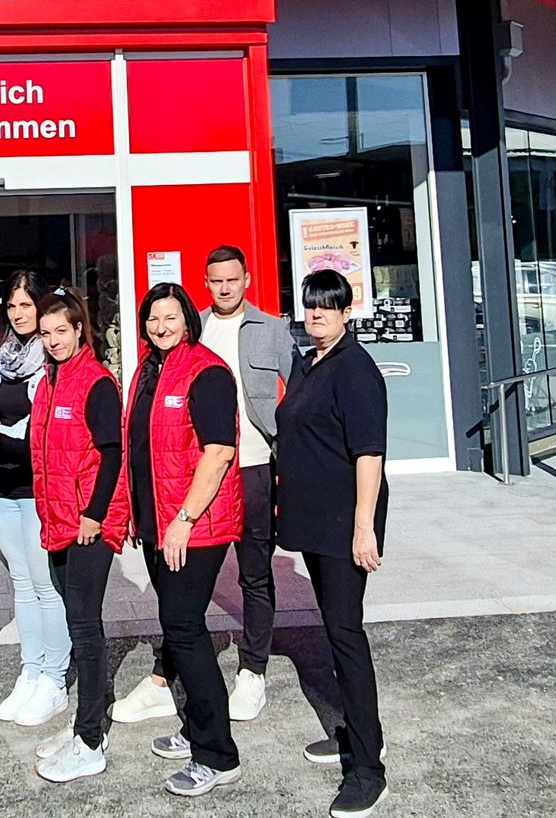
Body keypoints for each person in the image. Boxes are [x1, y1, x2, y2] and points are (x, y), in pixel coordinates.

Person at [117, 244, 300, 726]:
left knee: (254, 574)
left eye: (232, 280)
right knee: (183, 595)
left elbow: (301, 395)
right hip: (193, 474)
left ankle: (253, 670)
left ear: (247, 279)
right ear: (206, 282)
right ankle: (164, 676)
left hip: (252, 465)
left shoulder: (271, 330)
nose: (224, 288)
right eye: (216, 280)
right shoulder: (185, 329)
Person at [276, 269, 389, 818]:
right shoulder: (310, 362)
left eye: (327, 306)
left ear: (346, 311)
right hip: (318, 521)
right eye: (310, 306)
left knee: (346, 635)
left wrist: (363, 527)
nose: (316, 314)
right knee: (335, 630)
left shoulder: (355, 369)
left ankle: (368, 768)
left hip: (346, 523)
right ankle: (357, 733)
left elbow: (369, 453)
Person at [124, 281, 244, 796]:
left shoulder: (208, 372)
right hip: (156, 525)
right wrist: (137, 515)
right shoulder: (148, 370)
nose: (161, 326)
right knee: (176, 629)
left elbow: (218, 452)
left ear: (188, 320)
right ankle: (196, 725)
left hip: (195, 527)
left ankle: (217, 753)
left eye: (171, 316)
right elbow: (141, 448)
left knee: (184, 628)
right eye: (153, 318)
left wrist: (184, 519)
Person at [29, 287, 127, 784]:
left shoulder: (96, 382)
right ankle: (88, 722)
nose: (53, 341)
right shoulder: (49, 381)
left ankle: (90, 740)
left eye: (61, 331)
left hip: (90, 524)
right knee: (77, 624)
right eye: (45, 334)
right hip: (59, 521)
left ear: (78, 329)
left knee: (84, 628)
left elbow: (112, 452)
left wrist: (94, 514)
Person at [0, 271, 71, 727]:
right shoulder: (2, 356)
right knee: (21, 584)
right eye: (11, 306)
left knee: (46, 585)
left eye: (25, 306)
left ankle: (54, 677)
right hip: (3, 482)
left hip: (38, 486)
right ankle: (31, 671)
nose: (17, 315)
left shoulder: (50, 361)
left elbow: (44, 433)